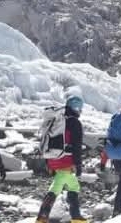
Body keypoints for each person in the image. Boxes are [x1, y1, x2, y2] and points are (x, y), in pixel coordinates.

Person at [34, 95, 84, 223]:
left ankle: (77, 217)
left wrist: (48, 163)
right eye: (79, 108)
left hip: (53, 159)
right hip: (66, 161)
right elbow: (77, 146)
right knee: (56, 189)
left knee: (73, 186)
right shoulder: (75, 123)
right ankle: (42, 218)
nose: (80, 110)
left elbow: (47, 142)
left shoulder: (57, 121)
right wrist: (78, 165)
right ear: (76, 108)